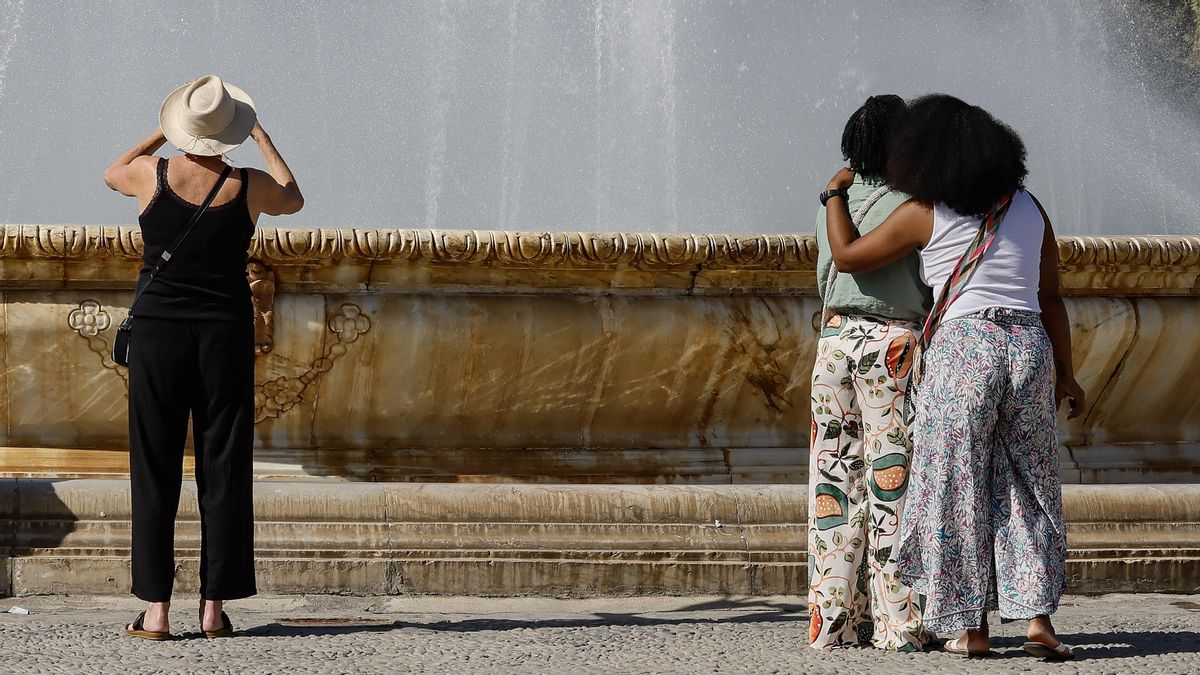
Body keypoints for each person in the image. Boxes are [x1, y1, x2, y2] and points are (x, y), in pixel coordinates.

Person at [823, 94, 1085, 660]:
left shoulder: (924, 211)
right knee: (1029, 485)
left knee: (955, 489)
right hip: (1028, 347)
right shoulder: (1028, 207)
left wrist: (834, 193)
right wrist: (1067, 373)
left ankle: (970, 629)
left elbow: (847, 256)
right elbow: (1051, 297)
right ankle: (1038, 620)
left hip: (965, 348)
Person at [103, 75, 304, 639]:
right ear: (231, 133)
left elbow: (111, 170)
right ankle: (214, 609)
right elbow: (295, 195)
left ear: (180, 128)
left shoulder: (151, 174)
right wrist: (260, 136)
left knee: (154, 467)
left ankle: (157, 611)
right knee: (225, 468)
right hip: (224, 335)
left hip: (159, 336)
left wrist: (159, 135)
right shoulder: (250, 185)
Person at [807, 95, 933, 651]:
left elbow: (824, 273)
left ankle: (833, 623)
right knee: (893, 481)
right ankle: (899, 624)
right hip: (893, 346)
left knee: (832, 482)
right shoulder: (918, 203)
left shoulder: (832, 201)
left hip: (834, 343)